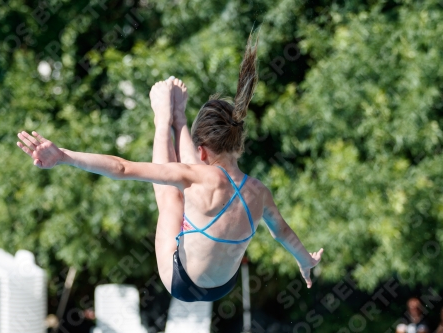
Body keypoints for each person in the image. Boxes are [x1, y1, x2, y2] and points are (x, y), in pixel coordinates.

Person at [16, 33, 323, 302]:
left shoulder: (195, 175)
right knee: (184, 182)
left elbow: (122, 168)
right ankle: (179, 118)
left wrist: (65, 156)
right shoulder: (260, 192)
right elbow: (281, 232)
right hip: (222, 286)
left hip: (183, 282)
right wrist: (305, 260)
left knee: (169, 197)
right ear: (239, 146)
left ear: (201, 150)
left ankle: (166, 119)